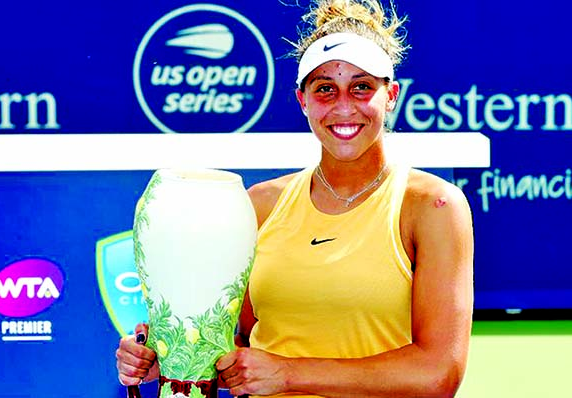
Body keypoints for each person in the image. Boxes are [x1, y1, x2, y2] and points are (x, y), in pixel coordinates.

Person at [116, 0, 474, 396]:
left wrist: (289, 373)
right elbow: (243, 351)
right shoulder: (262, 205)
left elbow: (437, 374)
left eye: (361, 88)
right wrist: (169, 356)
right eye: (325, 89)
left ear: (390, 95)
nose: (343, 107)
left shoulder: (434, 206)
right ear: (302, 100)